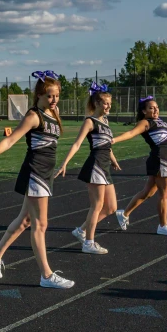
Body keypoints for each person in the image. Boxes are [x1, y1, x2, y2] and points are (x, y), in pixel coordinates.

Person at [0, 71, 75, 289]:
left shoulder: (55, 114)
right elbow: (10, 141)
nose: (54, 100)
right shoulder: (34, 116)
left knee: (25, 221)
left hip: (45, 173)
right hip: (35, 172)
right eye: (49, 96)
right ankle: (46, 275)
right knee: (40, 224)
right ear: (39, 95)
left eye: (56, 96)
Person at [55, 83, 121, 254]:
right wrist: (65, 163)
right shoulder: (90, 121)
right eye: (105, 103)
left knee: (111, 208)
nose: (108, 106)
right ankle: (89, 242)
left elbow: (107, 145)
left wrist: (113, 160)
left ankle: (81, 231)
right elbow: (77, 144)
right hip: (96, 165)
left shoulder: (105, 122)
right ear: (97, 103)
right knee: (97, 206)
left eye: (110, 104)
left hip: (105, 165)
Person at [112, 96, 167, 235]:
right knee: (164, 194)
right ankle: (163, 226)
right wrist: (113, 140)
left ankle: (124, 214)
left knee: (148, 192)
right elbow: (131, 133)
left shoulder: (159, 121)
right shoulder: (145, 122)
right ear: (144, 111)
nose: (155, 110)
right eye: (151, 108)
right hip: (161, 159)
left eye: (156, 107)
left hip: (166, 159)